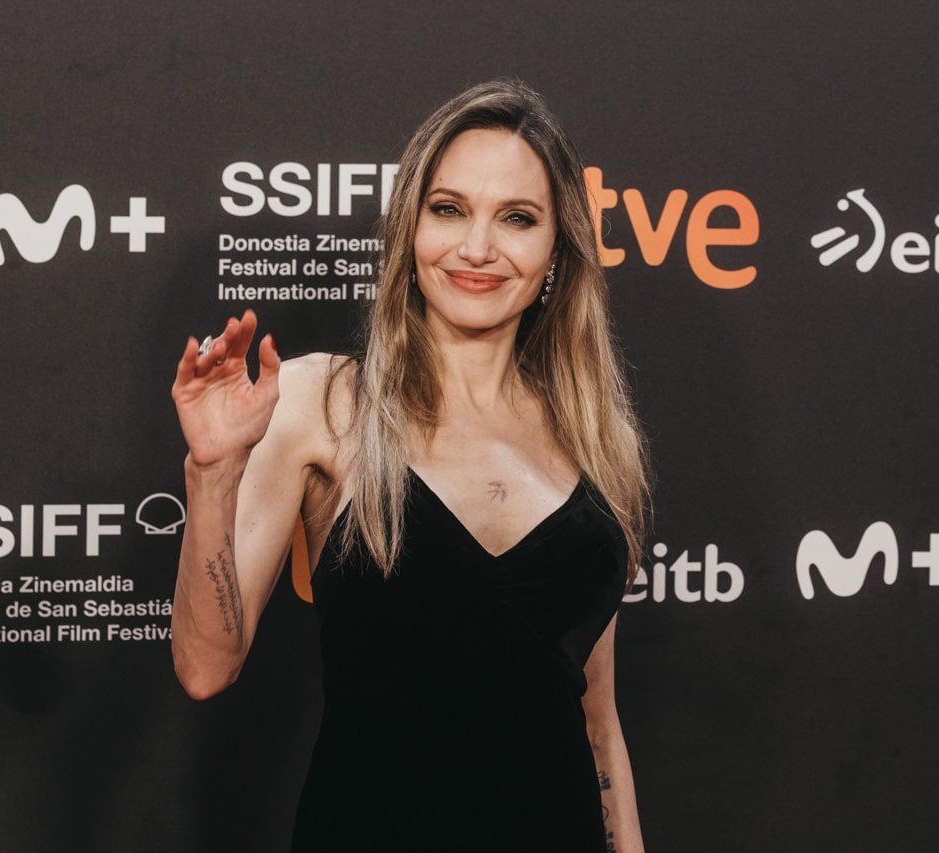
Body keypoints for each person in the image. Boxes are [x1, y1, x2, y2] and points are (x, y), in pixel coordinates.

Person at [170, 80, 649, 852]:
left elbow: (598, 727)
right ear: (409, 230)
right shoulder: (326, 402)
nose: (477, 247)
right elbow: (205, 665)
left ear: (556, 251)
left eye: (517, 218)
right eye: (449, 209)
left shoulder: (593, 439)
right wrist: (214, 470)